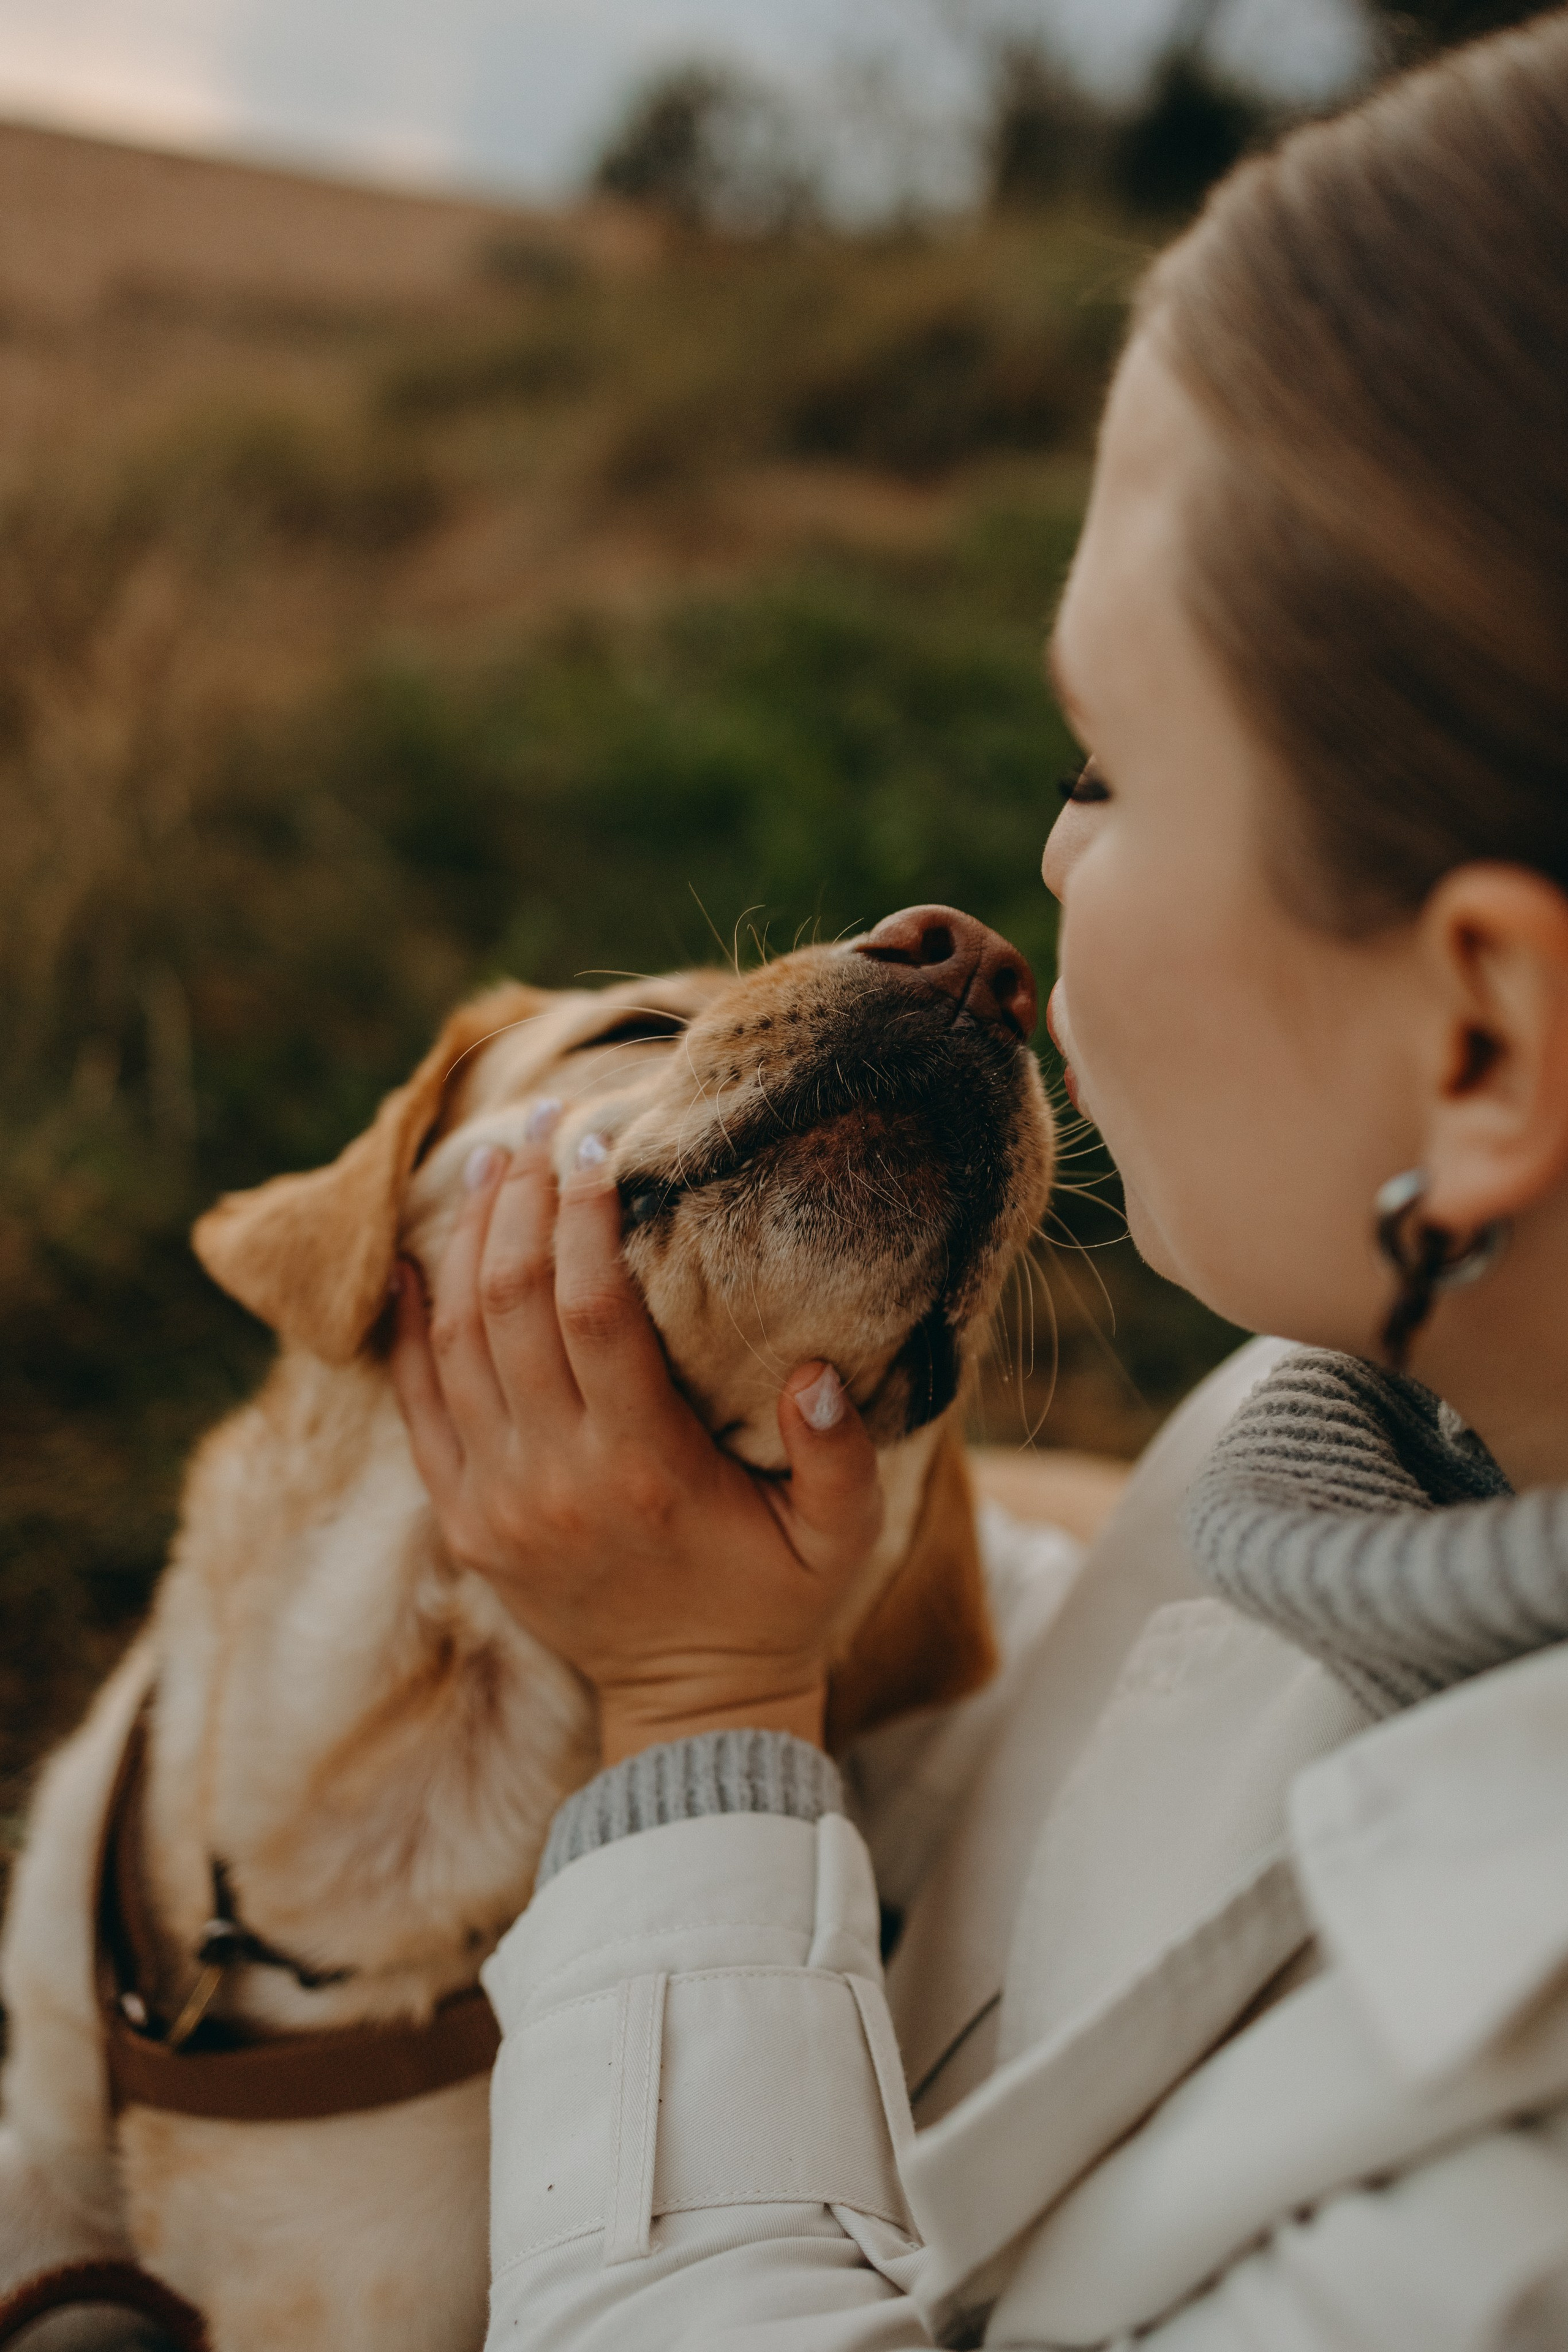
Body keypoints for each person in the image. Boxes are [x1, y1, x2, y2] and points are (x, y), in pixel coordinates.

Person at [388, 16, 1568, 2346]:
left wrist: (709, 1711)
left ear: (1479, 1047)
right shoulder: (1372, 1416)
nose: (1030, 869)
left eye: (1109, 772)